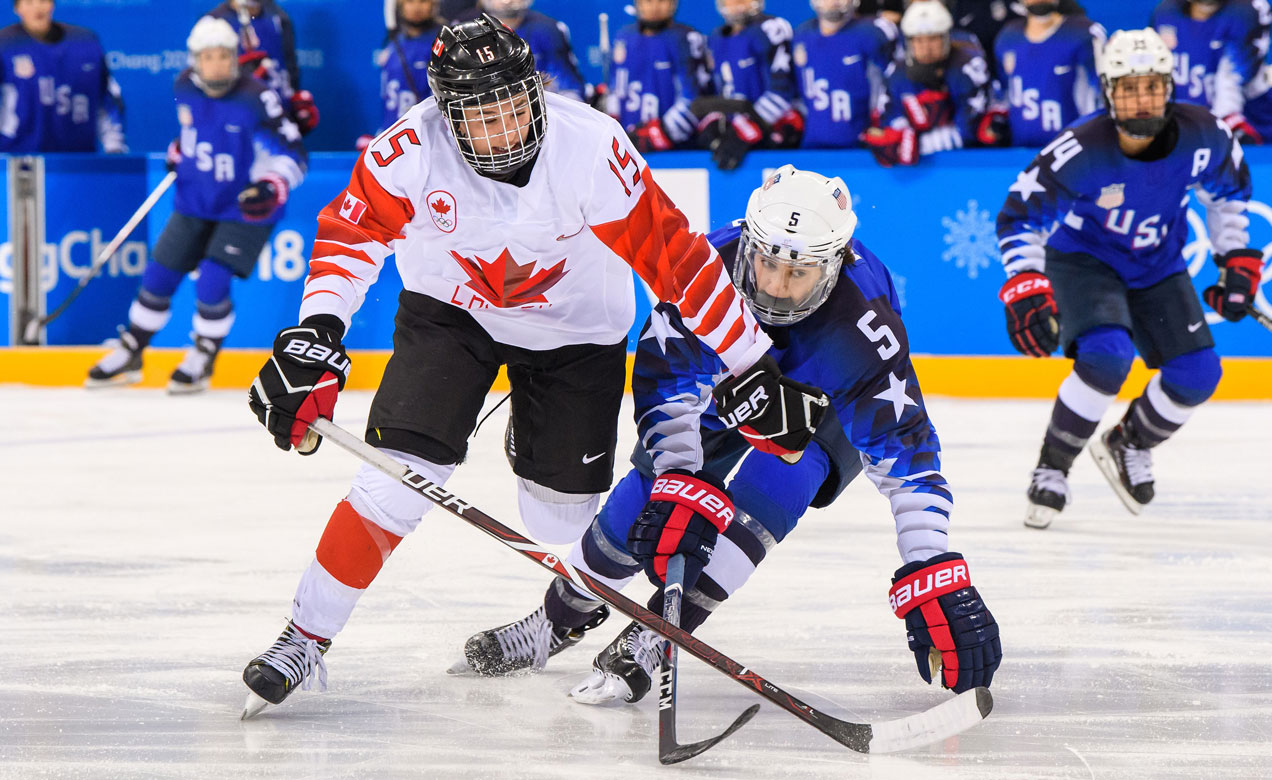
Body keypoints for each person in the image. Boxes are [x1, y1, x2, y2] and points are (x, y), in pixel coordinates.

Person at [238, 15, 824, 717]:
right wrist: (318, 332)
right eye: (483, 117)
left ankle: (527, 428)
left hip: (575, 336)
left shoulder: (592, 148)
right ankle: (305, 636)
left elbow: (678, 261)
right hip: (451, 318)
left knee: (556, 521)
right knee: (395, 482)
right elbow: (350, 234)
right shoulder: (409, 150)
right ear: (447, 113)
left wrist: (752, 363)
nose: (507, 129)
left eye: (516, 106)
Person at [450, 165, 1001, 705]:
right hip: (726, 387)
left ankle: (657, 636)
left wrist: (931, 564)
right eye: (766, 264)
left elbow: (906, 456)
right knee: (636, 512)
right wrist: (678, 479)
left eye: (799, 273)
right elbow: (666, 385)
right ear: (749, 243)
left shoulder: (861, 324)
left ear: (832, 264)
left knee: (773, 494)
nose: (778, 288)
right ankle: (553, 622)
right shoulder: (704, 271)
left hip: (820, 407)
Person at [994, 28, 1259, 529]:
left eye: (1152, 86)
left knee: (1199, 374)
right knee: (1107, 357)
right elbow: (1018, 217)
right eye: (1129, 88)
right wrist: (1025, 282)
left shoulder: (1207, 134)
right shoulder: (1081, 149)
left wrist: (1235, 258)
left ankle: (1128, 442)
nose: (1142, 99)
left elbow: (1228, 194)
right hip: (1084, 261)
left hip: (1158, 264)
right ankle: (1052, 467)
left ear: (1170, 88)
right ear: (1109, 92)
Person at [85, 18, 305, 394]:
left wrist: (272, 184)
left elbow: (293, 154)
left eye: (224, 55)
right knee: (158, 275)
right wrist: (179, 150)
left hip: (245, 205)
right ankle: (133, 348)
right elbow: (195, 133)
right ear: (195, 60)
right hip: (195, 198)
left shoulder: (257, 96)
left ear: (235, 57)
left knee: (213, 280)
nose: (217, 64)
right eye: (209, 57)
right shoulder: (184, 86)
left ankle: (203, 355)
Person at [861, 1, 1000, 166]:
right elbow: (888, 117)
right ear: (909, 43)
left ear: (946, 37)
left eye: (933, 39)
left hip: (966, 163)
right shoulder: (897, 73)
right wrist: (903, 131)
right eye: (919, 40)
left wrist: (943, 136)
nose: (926, 47)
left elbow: (973, 124)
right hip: (913, 172)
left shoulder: (967, 68)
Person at [1148, 0, 1272, 145]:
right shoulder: (1164, 13)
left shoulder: (1245, 11)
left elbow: (1229, 95)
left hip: (1248, 136)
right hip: (1184, 137)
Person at [0, 0, 125, 153]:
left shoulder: (85, 42)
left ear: (52, 4)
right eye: (29, 2)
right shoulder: (5, 45)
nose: (37, 8)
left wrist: (114, 148)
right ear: (17, 8)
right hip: (16, 157)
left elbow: (106, 100)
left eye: (42, 1)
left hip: (77, 156)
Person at [695, 0, 803, 170]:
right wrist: (716, 122)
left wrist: (747, 129)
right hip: (735, 136)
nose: (737, 3)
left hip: (771, 136)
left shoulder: (771, 29)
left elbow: (783, 91)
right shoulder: (715, 38)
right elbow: (716, 91)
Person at [992, 0, 1104, 147]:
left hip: (1073, 150)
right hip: (1019, 153)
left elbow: (1102, 95)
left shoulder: (1083, 33)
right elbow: (1002, 95)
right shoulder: (1008, 36)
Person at [606, 0, 712, 153]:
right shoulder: (623, 36)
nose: (654, 7)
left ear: (673, 4)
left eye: (662, 1)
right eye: (648, 1)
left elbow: (694, 99)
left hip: (676, 152)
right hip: (628, 148)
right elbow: (615, 90)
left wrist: (657, 134)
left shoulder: (686, 38)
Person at [792, 0, 899, 149]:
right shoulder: (801, 35)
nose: (833, 2)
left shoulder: (873, 33)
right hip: (813, 145)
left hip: (864, 145)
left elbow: (894, 84)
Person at [204, 0, 318, 136]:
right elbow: (201, 84)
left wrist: (295, 108)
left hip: (277, 125)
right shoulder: (212, 23)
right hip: (233, 128)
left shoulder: (279, 17)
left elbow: (289, 69)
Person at [452, 0, 586, 101]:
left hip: (538, 109)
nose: (507, 1)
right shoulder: (461, 29)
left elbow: (570, 89)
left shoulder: (548, 29)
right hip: (480, 112)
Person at [371, 0, 441, 138]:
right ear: (400, 5)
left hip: (427, 132)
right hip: (391, 130)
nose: (416, 7)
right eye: (409, 1)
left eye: (423, 1)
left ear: (433, 4)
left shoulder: (440, 43)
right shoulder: (393, 43)